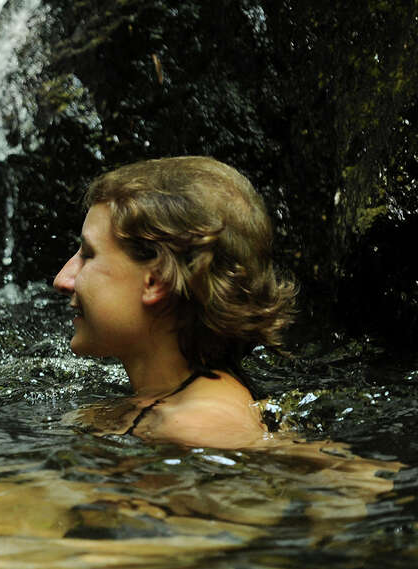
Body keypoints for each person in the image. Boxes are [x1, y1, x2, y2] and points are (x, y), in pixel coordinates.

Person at [52, 156, 297, 448]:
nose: (62, 279)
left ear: (155, 281)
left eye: (89, 255)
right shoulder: (137, 411)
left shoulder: (201, 426)